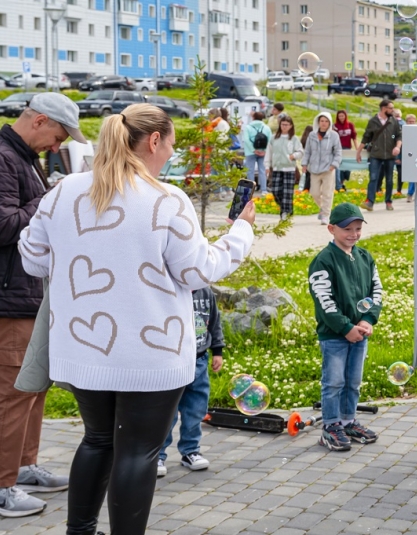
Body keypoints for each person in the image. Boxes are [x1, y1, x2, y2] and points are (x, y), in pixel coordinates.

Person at [18, 103, 255, 535]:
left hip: (83, 351)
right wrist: (241, 232)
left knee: (98, 440)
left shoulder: (64, 192)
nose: (170, 155)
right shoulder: (166, 200)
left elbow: (33, 258)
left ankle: (80, 531)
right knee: (137, 452)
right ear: (153, 141)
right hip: (152, 354)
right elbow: (197, 271)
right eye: (171, 146)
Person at [0, 92, 80, 518]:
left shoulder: (25, 157)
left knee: (34, 387)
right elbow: (4, 224)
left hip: (30, 294)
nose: (56, 146)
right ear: (39, 121)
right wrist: (51, 200)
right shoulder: (4, 158)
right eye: (57, 136)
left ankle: (25, 466)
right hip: (9, 300)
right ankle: (2, 486)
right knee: (13, 393)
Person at [308, 203, 382, 452]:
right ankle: (330, 426)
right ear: (331, 229)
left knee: (353, 381)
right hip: (335, 336)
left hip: (360, 333)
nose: (353, 234)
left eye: (358, 228)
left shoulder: (365, 258)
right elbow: (324, 301)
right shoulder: (323, 261)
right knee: (334, 383)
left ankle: (348, 421)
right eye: (347, 229)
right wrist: (345, 327)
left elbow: (376, 292)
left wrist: (367, 320)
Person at [157, 286, 224, 477]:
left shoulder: (206, 292)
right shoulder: (170, 289)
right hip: (173, 360)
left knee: (196, 409)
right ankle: (158, 455)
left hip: (199, 360)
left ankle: (190, 451)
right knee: (168, 413)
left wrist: (217, 351)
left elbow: (214, 321)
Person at [356, 100, 402, 212]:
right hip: (376, 154)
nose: (393, 110)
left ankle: (388, 201)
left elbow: (399, 136)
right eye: (390, 108)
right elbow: (366, 137)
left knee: (389, 180)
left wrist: (398, 147)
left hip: (390, 155)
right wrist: (358, 152)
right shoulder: (373, 121)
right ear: (383, 108)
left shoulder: (393, 121)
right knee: (373, 178)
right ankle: (370, 202)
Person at [302, 112, 342, 226]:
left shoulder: (334, 135)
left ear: (329, 123)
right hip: (314, 169)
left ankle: (325, 215)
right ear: (318, 122)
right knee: (314, 192)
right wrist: (304, 164)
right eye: (322, 121)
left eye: (326, 121)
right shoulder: (312, 135)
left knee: (327, 193)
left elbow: (338, 152)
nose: (324, 123)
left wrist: (334, 164)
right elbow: (307, 151)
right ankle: (323, 208)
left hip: (328, 169)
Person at [267, 115, 304, 221]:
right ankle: (286, 209)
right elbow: (269, 153)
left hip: (289, 168)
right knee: (276, 190)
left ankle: (285, 212)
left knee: (287, 192)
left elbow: (301, 152)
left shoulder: (294, 139)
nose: (284, 126)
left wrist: (293, 156)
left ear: (291, 126)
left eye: (286, 124)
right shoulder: (274, 138)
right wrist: (267, 166)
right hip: (276, 168)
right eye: (282, 124)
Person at [242, 111, 270, 194]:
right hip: (263, 152)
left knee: (250, 170)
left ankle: (251, 189)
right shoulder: (266, 127)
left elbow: (246, 140)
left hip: (250, 152)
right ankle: (264, 189)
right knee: (262, 170)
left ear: (253, 118)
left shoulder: (248, 127)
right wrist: (265, 151)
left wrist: (253, 150)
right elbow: (270, 140)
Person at [333, 110, 357, 191]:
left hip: (347, 148)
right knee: (339, 167)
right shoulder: (335, 126)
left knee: (347, 167)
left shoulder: (350, 125)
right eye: (339, 116)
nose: (341, 118)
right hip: (338, 148)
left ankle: (342, 182)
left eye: (342, 116)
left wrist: (357, 148)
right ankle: (339, 184)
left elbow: (354, 137)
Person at [403, 114, 417, 202]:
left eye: (413, 122)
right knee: (411, 177)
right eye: (409, 122)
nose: (411, 123)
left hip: (415, 156)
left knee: (415, 177)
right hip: (407, 156)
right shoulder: (403, 131)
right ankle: (410, 193)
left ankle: (413, 193)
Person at [393, 110, 405, 194]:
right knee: (400, 173)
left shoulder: (394, 124)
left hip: (396, 151)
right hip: (401, 152)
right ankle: (399, 190)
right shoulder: (404, 124)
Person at [299, 125, 314, 192]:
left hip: (304, 159)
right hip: (310, 159)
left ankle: (305, 188)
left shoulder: (303, 139)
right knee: (309, 175)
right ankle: (307, 188)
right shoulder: (311, 139)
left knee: (306, 174)